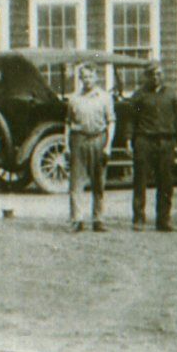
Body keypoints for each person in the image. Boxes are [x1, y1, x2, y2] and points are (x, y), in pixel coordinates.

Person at [123, 62, 177, 231]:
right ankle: (138, 219)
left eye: (159, 74)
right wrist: (128, 140)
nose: (156, 78)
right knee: (140, 181)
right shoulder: (139, 95)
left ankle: (163, 220)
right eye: (152, 74)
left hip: (166, 141)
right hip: (144, 141)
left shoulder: (171, 94)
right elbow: (130, 119)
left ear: (163, 75)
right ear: (146, 76)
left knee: (166, 183)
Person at [65, 64, 111, 232]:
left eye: (90, 76)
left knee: (99, 182)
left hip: (98, 139)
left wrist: (108, 145)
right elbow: (68, 123)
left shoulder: (105, 97)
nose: (88, 80)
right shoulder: (73, 99)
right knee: (76, 183)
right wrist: (66, 145)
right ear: (80, 79)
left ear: (96, 77)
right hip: (79, 140)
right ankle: (77, 220)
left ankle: (98, 219)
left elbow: (111, 122)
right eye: (84, 77)